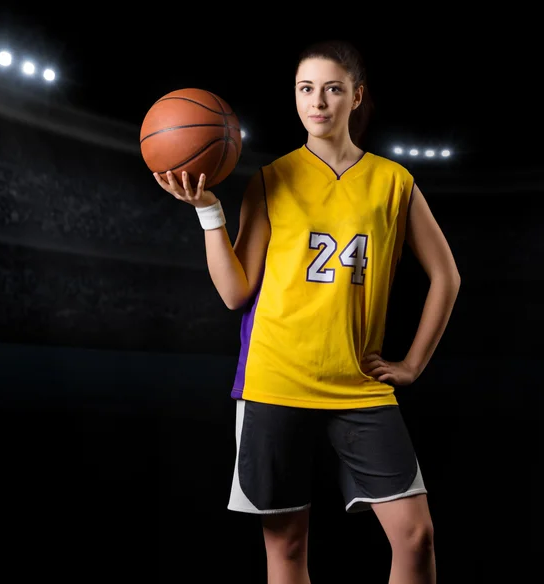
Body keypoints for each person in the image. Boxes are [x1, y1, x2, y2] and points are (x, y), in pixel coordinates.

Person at [154, 39, 460, 584]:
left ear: (356, 97)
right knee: (288, 549)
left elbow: (447, 277)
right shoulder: (271, 179)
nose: (317, 101)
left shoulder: (394, 182)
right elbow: (234, 293)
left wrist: (412, 364)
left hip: (358, 384)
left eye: (333, 89)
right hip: (276, 380)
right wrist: (208, 214)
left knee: (416, 538)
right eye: (305, 89)